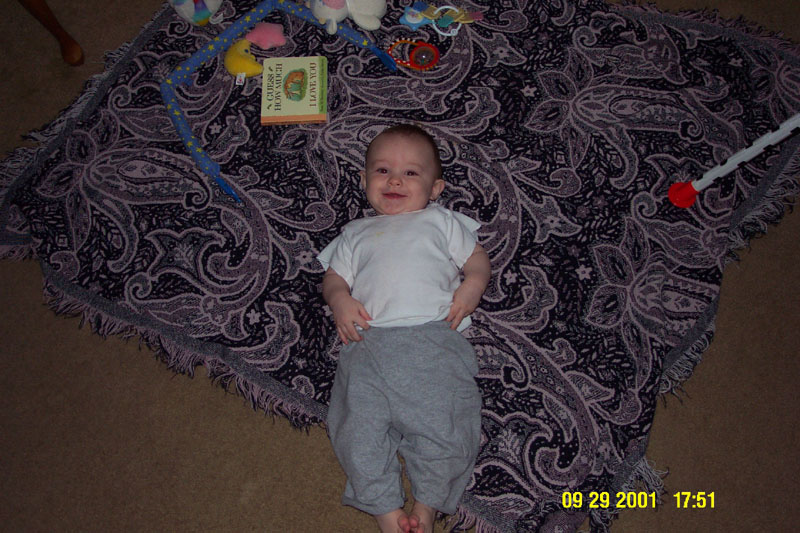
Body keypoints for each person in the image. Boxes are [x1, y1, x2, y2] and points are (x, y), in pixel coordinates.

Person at [317, 124, 491, 533]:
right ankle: (384, 509)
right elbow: (334, 279)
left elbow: (477, 261)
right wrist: (339, 300)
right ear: (364, 181)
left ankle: (427, 505)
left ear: (435, 189)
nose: (395, 180)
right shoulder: (354, 234)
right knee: (354, 429)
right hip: (366, 346)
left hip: (432, 344)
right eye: (382, 171)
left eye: (411, 173)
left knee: (447, 425)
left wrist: (472, 286)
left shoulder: (441, 221)